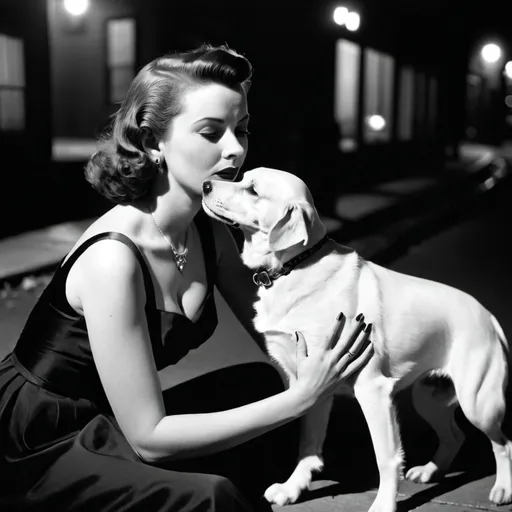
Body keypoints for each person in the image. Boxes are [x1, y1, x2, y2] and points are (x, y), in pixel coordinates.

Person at [0, 44, 374, 511]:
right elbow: (150, 439)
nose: (235, 148)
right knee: (212, 497)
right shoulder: (113, 260)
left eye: (241, 130)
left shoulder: (209, 231)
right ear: (155, 142)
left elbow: (278, 330)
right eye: (211, 132)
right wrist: (300, 399)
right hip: (44, 440)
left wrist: (362, 361)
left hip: (113, 419)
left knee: (264, 384)